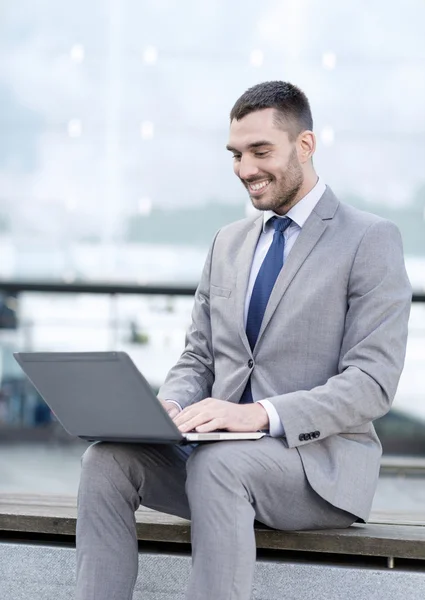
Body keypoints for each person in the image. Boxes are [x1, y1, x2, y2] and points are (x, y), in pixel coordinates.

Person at [76, 81, 412, 600]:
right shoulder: (227, 242)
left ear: (305, 145)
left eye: (260, 151)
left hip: (317, 470)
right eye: (236, 154)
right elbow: (198, 357)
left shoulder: (370, 239)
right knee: (107, 459)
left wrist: (260, 415)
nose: (245, 169)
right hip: (217, 457)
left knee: (220, 463)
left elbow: (372, 384)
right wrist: (168, 406)